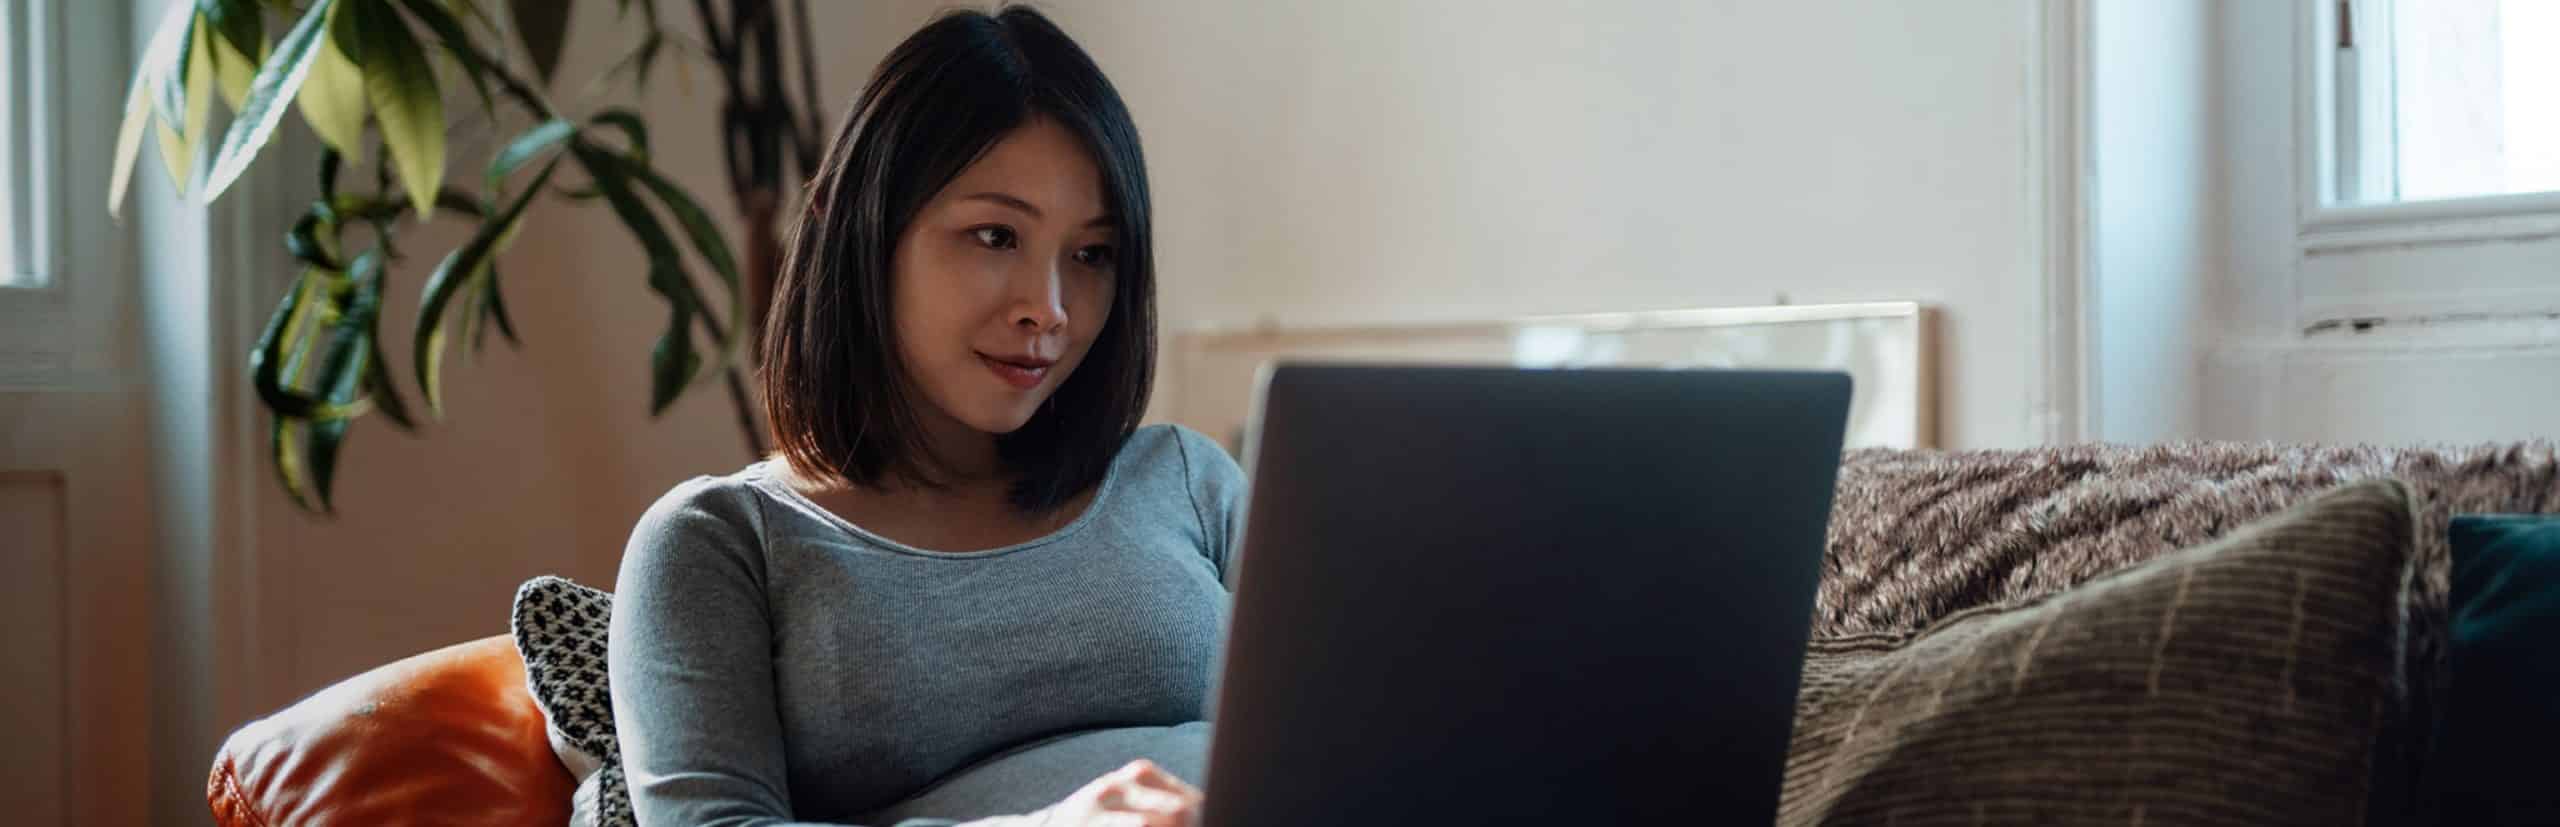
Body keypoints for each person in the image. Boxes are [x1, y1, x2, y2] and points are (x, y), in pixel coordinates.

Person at [609, 7, 1241, 826]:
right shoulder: (722, 541)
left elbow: (1357, 723)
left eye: (1091, 254)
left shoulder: (1187, 482)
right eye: (994, 235)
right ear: (857, 226)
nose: (1048, 309)